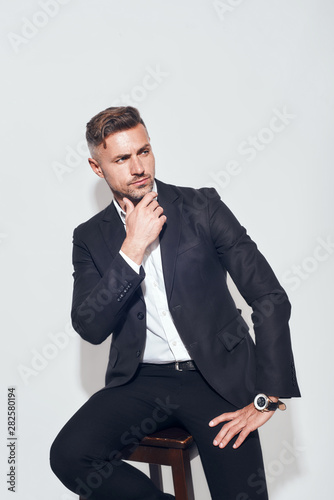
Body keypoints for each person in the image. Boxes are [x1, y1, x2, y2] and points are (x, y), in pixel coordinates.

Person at [50, 106, 300, 500]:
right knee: (70, 455)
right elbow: (90, 327)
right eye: (122, 158)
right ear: (97, 169)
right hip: (140, 380)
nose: (138, 167)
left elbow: (269, 296)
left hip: (215, 377)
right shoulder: (90, 237)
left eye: (144, 151)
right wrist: (132, 248)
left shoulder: (202, 208)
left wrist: (268, 395)